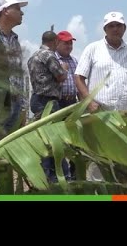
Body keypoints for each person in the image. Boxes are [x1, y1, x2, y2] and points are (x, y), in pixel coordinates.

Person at [27, 31, 71, 182]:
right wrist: (64, 68)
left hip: (36, 98)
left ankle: (48, 175)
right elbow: (60, 76)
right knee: (53, 139)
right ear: (56, 41)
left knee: (44, 138)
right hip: (48, 101)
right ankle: (57, 176)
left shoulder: (33, 56)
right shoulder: (49, 55)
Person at [75, 12, 127, 112]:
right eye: (111, 26)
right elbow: (79, 77)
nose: (115, 29)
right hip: (101, 113)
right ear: (105, 29)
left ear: (124, 28)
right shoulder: (92, 49)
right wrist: (89, 102)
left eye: (118, 25)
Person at [0, 0, 28, 135]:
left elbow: (20, 75)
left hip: (15, 104)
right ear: (5, 11)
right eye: (18, 9)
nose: (22, 13)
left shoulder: (15, 40)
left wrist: (23, 107)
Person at [55, 30, 79, 180]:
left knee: (75, 140)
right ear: (57, 43)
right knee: (59, 140)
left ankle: (75, 174)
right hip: (58, 102)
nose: (69, 45)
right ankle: (61, 175)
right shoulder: (52, 60)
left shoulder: (75, 61)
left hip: (72, 103)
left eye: (70, 43)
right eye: (66, 43)